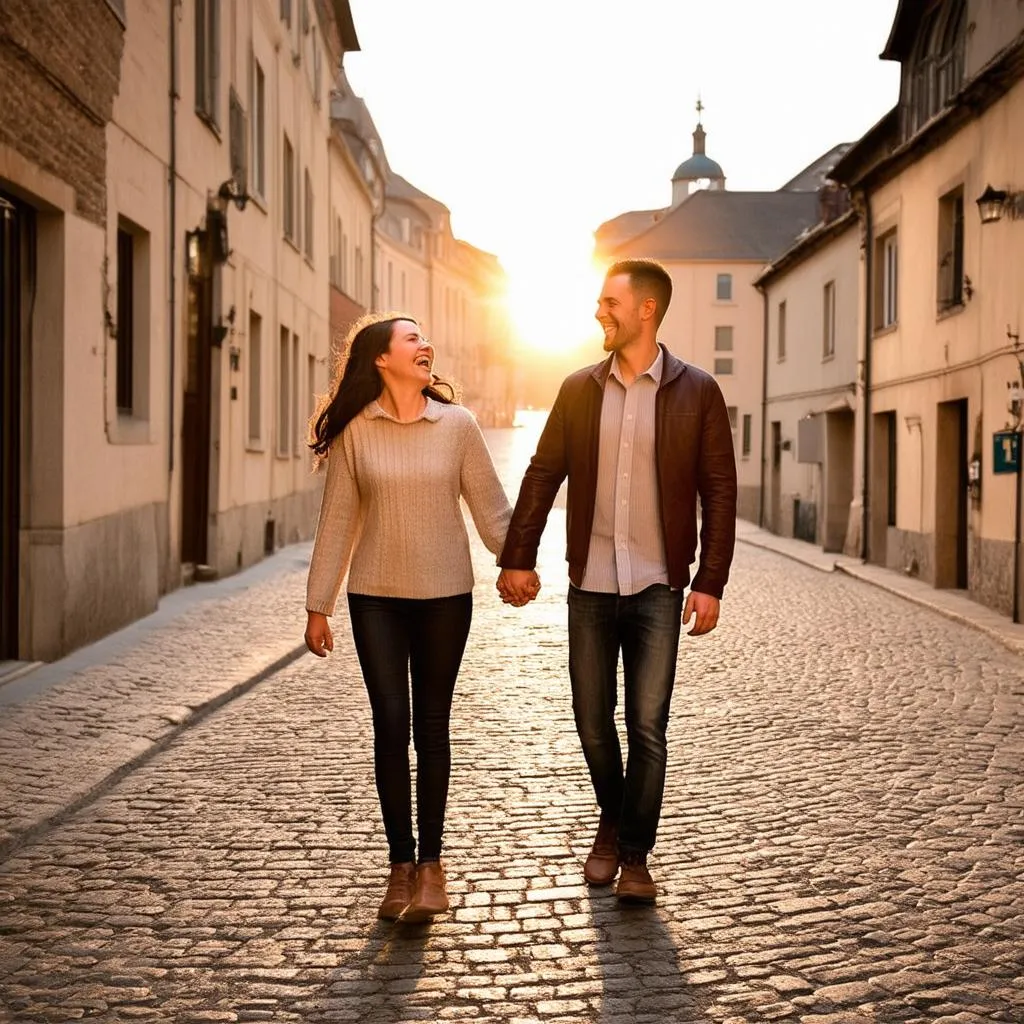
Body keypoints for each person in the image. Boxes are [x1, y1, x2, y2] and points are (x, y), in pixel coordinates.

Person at [497, 258, 737, 904]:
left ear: (647, 310)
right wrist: (516, 556)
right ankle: (614, 814)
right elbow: (544, 473)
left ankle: (633, 855)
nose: (599, 312)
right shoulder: (579, 388)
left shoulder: (697, 391)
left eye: (610, 302)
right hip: (592, 585)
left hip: (660, 587)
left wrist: (709, 580)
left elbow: (719, 492)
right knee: (591, 720)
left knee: (648, 726)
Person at [304, 312, 524, 923]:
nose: (426, 345)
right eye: (412, 338)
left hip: (446, 596)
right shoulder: (356, 431)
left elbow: (492, 510)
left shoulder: (457, 425)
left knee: (431, 725)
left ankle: (432, 868)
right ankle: (399, 868)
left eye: (426, 337)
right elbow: (339, 522)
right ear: (381, 357)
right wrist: (318, 603)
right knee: (389, 725)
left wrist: (519, 563)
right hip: (374, 596)